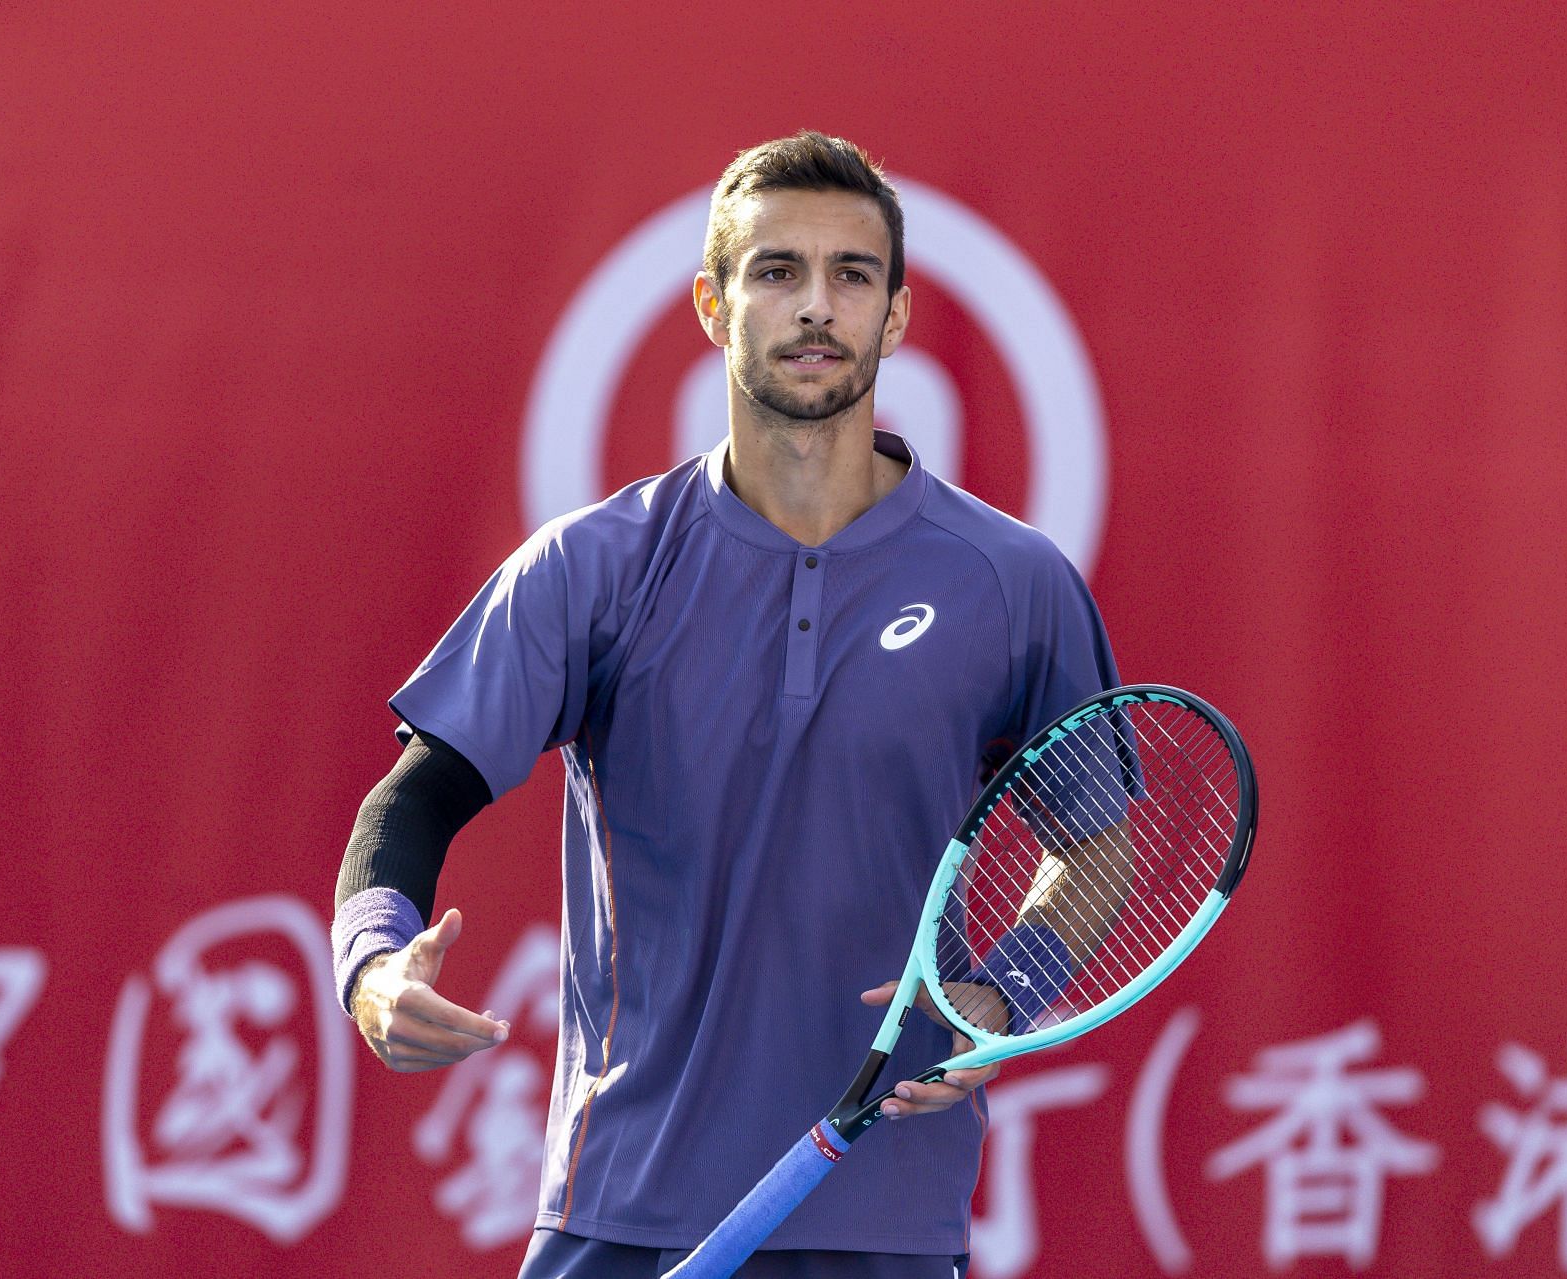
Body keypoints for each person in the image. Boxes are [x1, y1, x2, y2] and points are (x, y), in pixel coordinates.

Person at [331, 131, 1120, 1279]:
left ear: (896, 318)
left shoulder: (1011, 579)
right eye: (777, 271)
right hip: (621, 1207)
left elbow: (1100, 838)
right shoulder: (591, 567)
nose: (817, 307)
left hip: (885, 1220)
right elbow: (417, 796)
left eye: (853, 275)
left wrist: (1010, 990)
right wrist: (375, 962)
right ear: (711, 303)